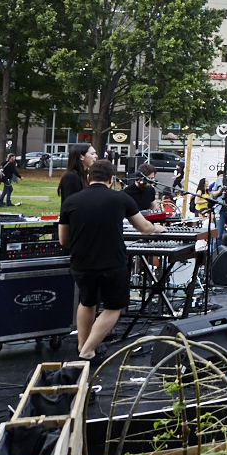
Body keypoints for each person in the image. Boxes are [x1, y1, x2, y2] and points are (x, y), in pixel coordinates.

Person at [58, 160, 166, 360]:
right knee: (114, 306)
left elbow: (64, 240)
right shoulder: (121, 198)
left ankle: (82, 347)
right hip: (112, 261)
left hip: (81, 262)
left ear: (88, 178)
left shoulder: (71, 201)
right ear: (111, 179)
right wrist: (158, 228)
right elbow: (144, 228)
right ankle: (88, 350)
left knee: (87, 302)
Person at [57, 144, 98, 211]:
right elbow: (72, 204)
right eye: (92, 154)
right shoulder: (71, 177)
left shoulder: (84, 175)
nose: (96, 156)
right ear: (81, 157)